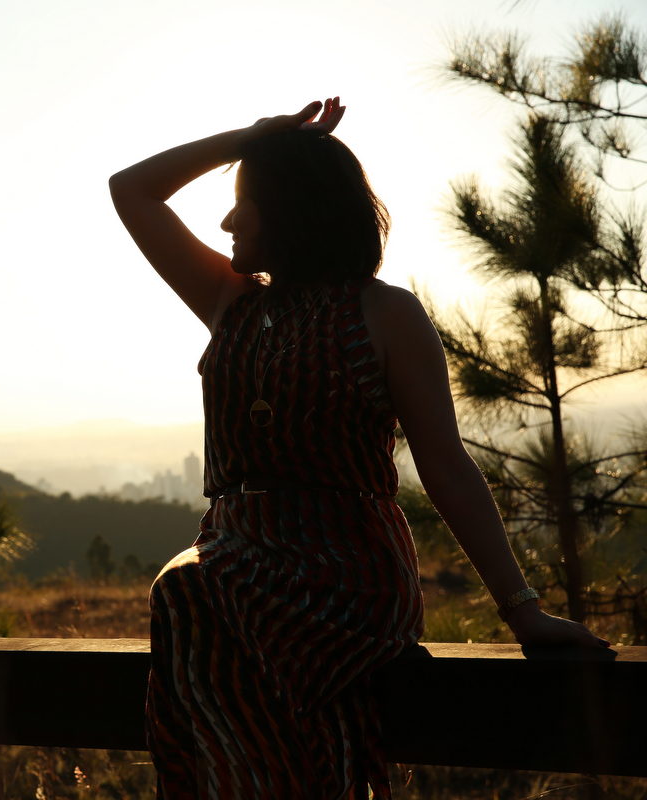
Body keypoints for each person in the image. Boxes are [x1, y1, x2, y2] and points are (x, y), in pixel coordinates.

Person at [108, 98, 609, 800]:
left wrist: (522, 609)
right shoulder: (232, 302)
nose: (225, 221)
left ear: (289, 209)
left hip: (342, 571)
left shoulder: (385, 314)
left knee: (192, 589)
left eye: (242, 203)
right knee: (187, 590)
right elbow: (130, 190)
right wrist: (255, 139)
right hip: (233, 556)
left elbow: (445, 464)